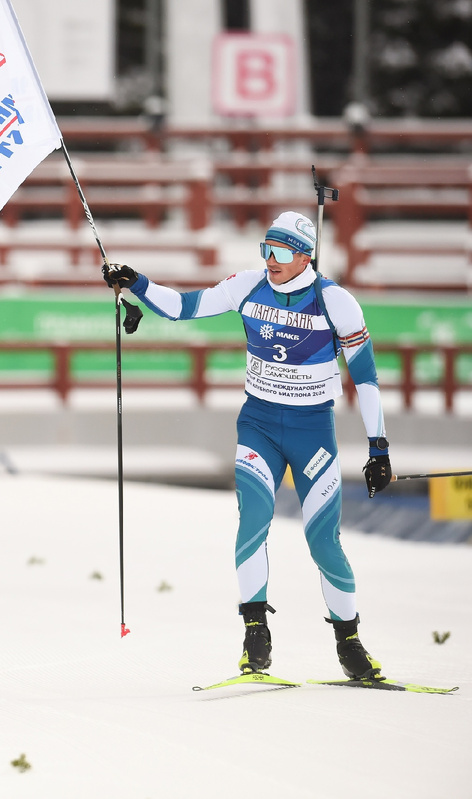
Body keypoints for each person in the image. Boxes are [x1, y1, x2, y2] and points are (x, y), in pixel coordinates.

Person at [104, 211, 392, 681]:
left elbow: (366, 377)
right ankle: (255, 635)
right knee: (253, 521)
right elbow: (182, 307)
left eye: (280, 251)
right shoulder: (248, 285)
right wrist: (137, 283)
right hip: (259, 425)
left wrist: (378, 448)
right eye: (265, 249)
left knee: (324, 542)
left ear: (305, 256)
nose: (270, 259)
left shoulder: (336, 301)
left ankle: (350, 643)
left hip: (313, 433)